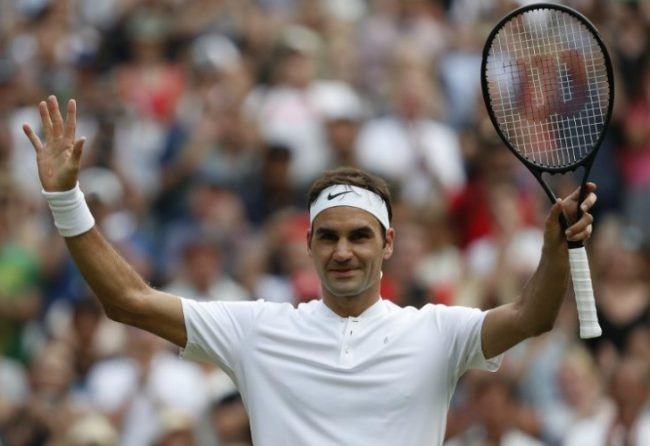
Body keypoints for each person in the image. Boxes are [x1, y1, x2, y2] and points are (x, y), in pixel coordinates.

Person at [22, 95, 598, 445]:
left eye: (359, 236)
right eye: (329, 237)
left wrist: (555, 248)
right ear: (309, 245)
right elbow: (127, 300)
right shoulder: (257, 330)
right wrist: (66, 200)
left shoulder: (437, 331)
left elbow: (532, 315)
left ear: (389, 244)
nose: (343, 251)